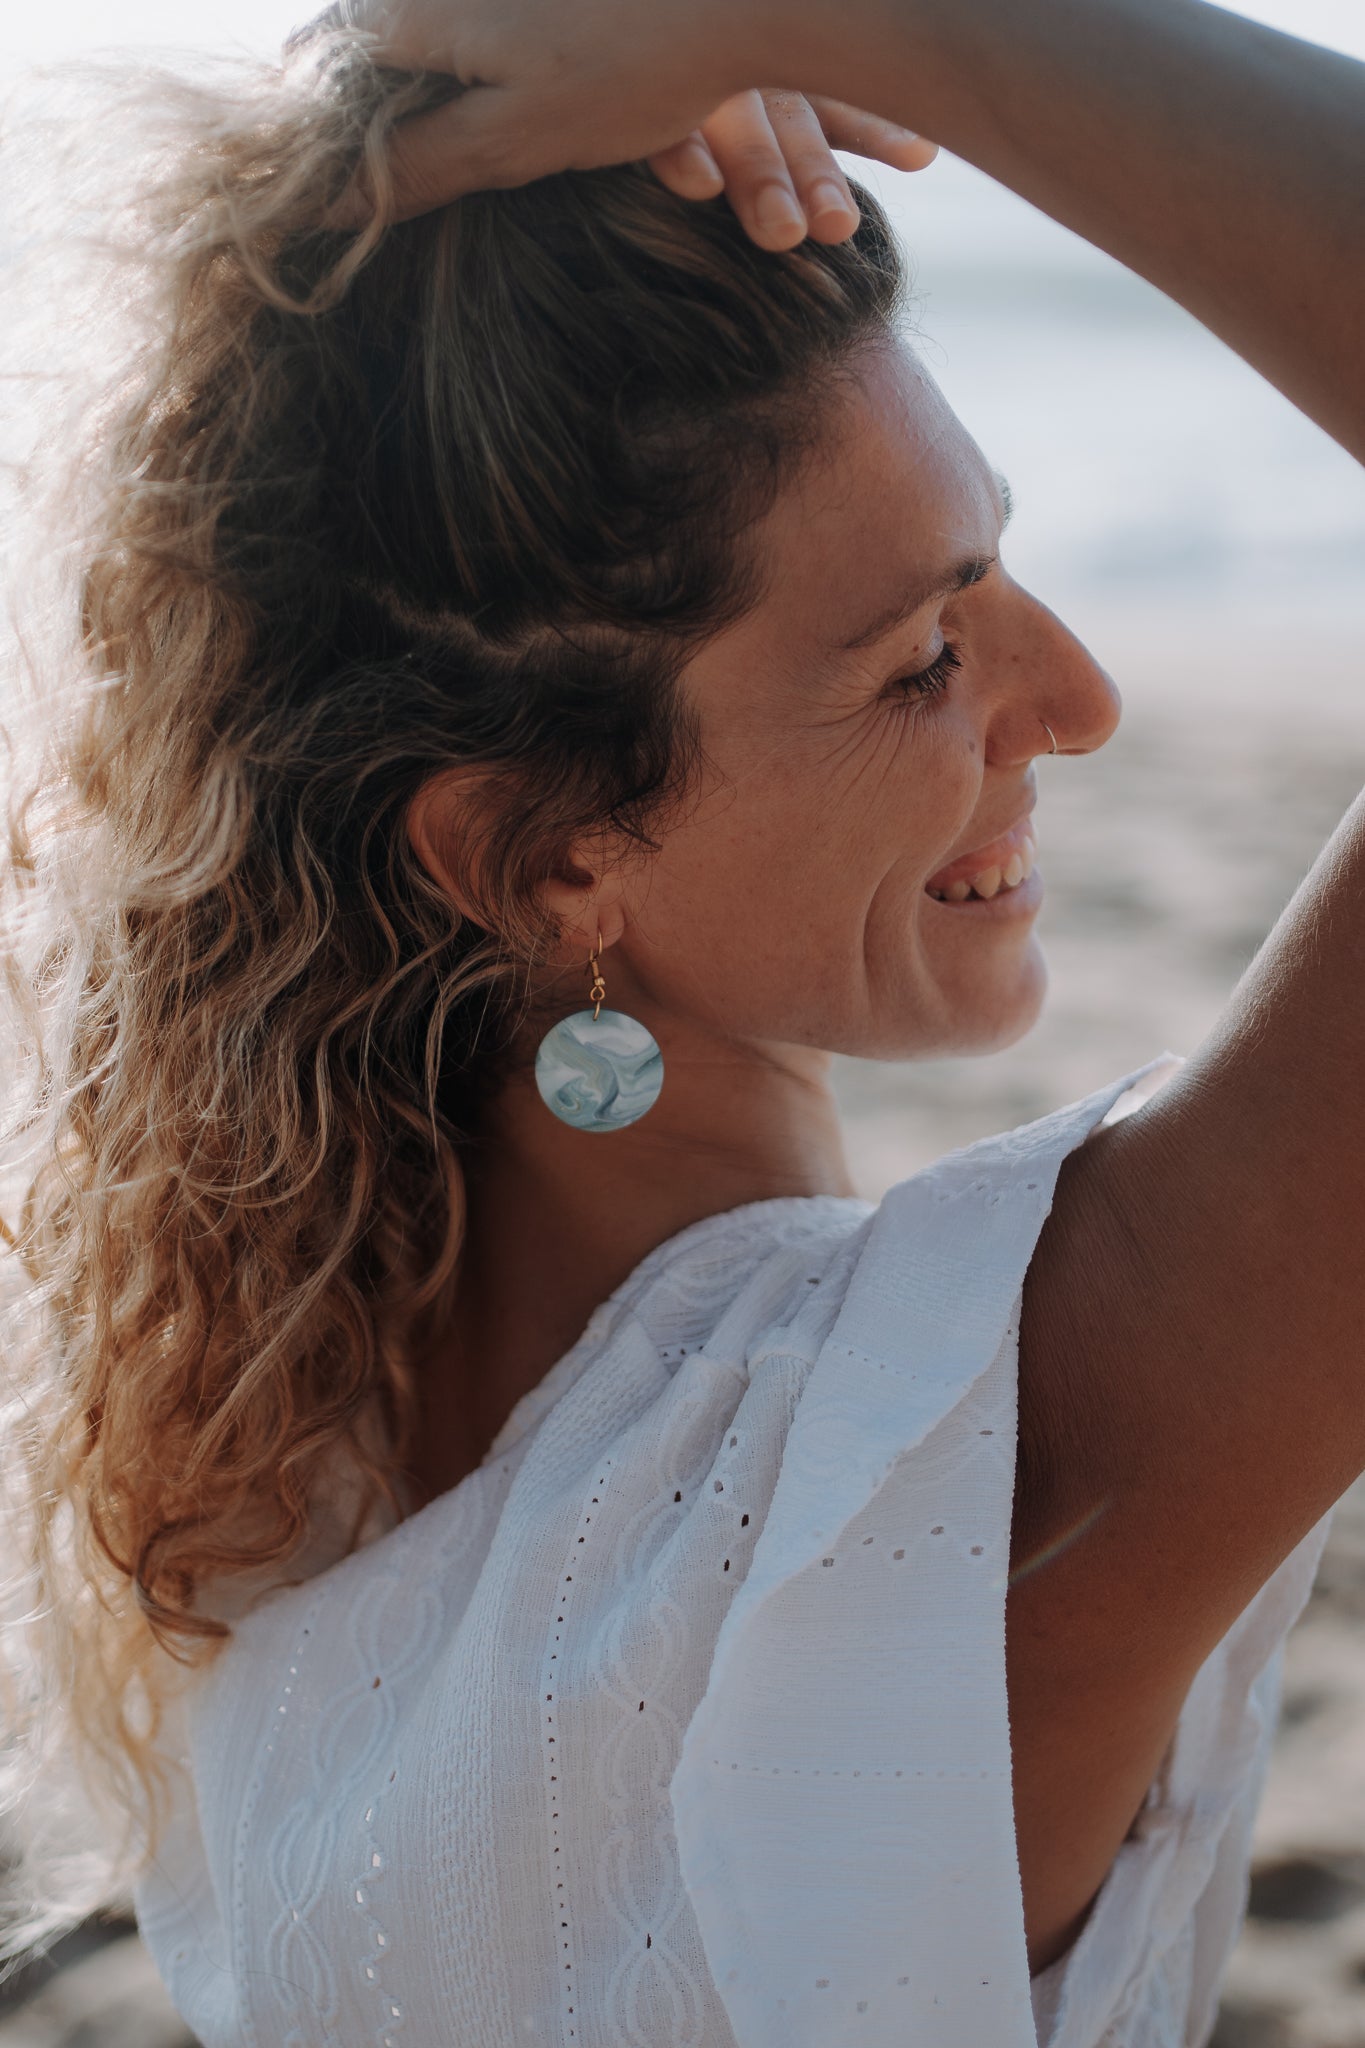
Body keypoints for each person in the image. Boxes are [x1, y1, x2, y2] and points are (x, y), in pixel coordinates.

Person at [0, 0, 1361, 2042]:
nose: (1071, 697)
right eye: (920, 655)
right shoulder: (909, 1504)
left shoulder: (286, 1515)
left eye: (1001, 568)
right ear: (546, 857)